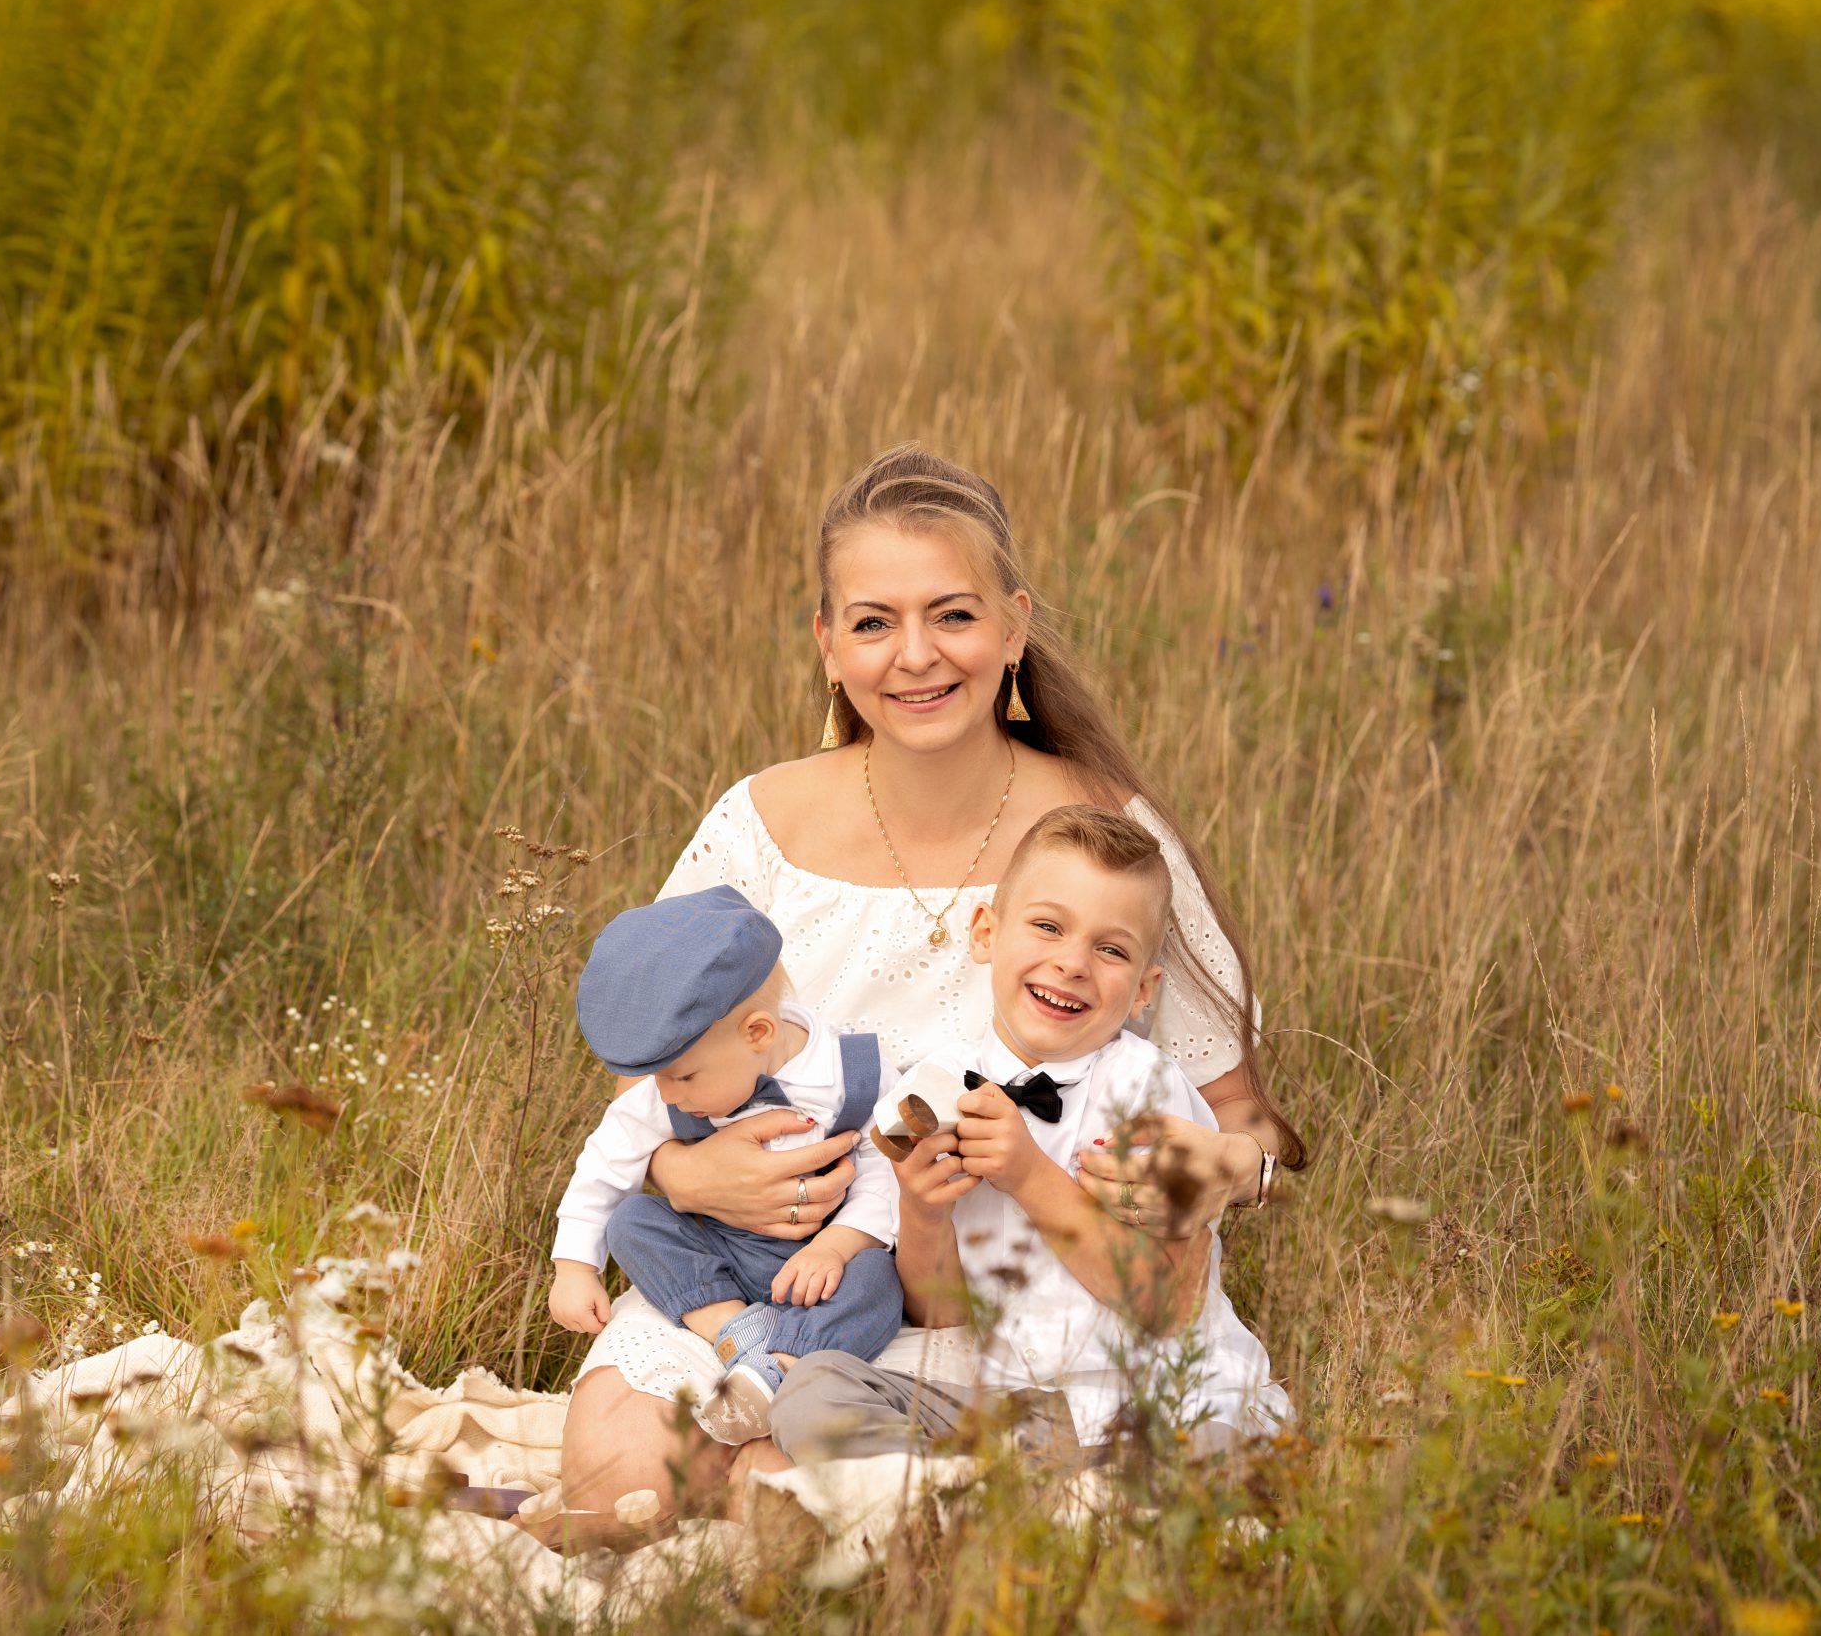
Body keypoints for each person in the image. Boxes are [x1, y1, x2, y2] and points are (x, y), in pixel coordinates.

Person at [554, 444, 1307, 1521]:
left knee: (937, 1500)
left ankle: (839, 1497)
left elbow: (1240, 1115)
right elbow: (647, 1077)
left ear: (1014, 628)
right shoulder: (758, 823)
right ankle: (830, 1489)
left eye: (953, 615)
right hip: (772, 1277)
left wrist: (1231, 1167)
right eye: (873, 622)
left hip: (1021, 1303)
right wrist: (685, 1174)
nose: (915, 656)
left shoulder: (1102, 837)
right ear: (827, 645)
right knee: (615, 1478)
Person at [769, 805, 1291, 1464]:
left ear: (1142, 990)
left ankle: (1021, 1501)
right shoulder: (935, 1084)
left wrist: (1029, 1174)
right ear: (986, 932)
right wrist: (923, 1210)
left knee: (1217, 1446)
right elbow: (940, 1316)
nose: (1072, 962)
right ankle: (956, 1495)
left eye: (1111, 949)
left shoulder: (1144, 1091)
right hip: (1012, 1409)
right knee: (814, 1392)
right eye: (1048, 926)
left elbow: (1165, 1304)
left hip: (1152, 1404)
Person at [549, 886, 903, 1445]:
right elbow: (605, 1160)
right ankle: (735, 1330)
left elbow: (887, 1170)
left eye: (682, 1076)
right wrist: (574, 1267)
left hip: (820, 1263)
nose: (666, 1094)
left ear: (758, 1033)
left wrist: (838, 1246)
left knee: (877, 1280)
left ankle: (783, 1366)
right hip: (722, 1252)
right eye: (658, 1077)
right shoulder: (672, 1087)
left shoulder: (853, 1073)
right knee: (633, 1222)